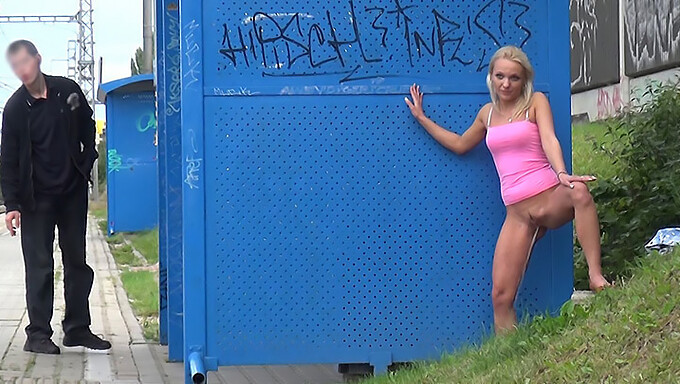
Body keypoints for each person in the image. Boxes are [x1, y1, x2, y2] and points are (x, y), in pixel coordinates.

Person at [404, 46, 611, 335]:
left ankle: (595, 275)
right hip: (517, 214)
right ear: (491, 77)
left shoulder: (536, 102)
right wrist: (422, 118)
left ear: (524, 80)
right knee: (500, 297)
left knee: (579, 191)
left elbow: (550, 139)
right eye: (500, 76)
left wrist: (562, 173)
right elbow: (461, 144)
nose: (506, 84)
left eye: (514, 78)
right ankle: (508, 355)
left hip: (548, 197)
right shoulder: (486, 115)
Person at [0, 40, 111, 354]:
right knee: (40, 266)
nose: (22, 70)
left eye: (26, 62)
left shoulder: (67, 91)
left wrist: (86, 160)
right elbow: (7, 158)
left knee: (77, 262)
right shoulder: (15, 109)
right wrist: (12, 205)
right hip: (36, 200)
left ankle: (77, 329)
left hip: (71, 193)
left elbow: (88, 125)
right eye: (16, 66)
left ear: (38, 59)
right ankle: (37, 335)